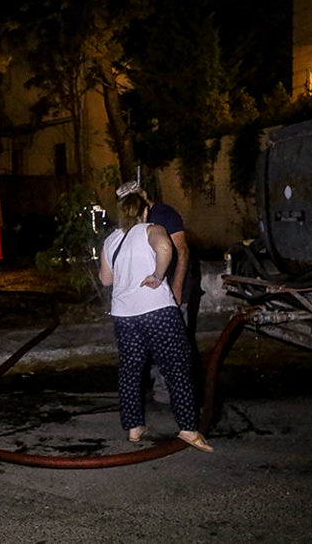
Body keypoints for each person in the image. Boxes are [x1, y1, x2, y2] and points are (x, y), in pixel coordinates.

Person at [99, 193, 213, 452]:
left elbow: (106, 279)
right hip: (157, 311)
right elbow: (165, 248)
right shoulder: (151, 229)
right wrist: (158, 275)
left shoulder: (111, 240)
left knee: (130, 371)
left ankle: (134, 427)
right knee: (177, 366)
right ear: (144, 213)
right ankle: (188, 429)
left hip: (124, 315)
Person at [115, 180, 202, 403]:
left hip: (172, 286)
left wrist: (177, 288)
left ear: (143, 195)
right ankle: (163, 390)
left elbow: (182, 251)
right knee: (155, 343)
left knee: (176, 344)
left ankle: (178, 394)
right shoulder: (133, 221)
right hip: (152, 292)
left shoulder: (164, 214)